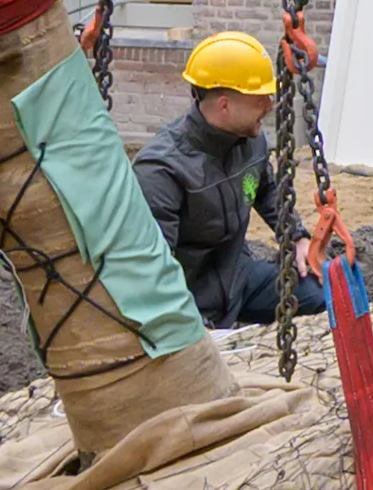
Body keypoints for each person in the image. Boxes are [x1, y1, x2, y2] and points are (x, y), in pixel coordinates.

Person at [132, 34, 323, 329]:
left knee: (318, 295)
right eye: (260, 97)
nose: (270, 105)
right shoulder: (161, 170)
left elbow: (266, 192)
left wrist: (297, 236)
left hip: (236, 277)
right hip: (189, 295)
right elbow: (154, 270)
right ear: (224, 105)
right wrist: (186, 322)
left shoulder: (250, 141)